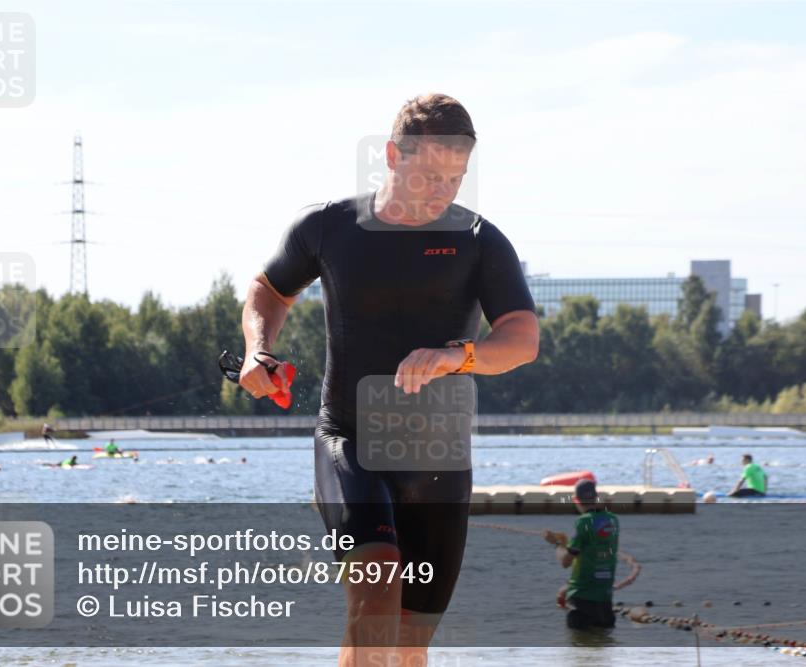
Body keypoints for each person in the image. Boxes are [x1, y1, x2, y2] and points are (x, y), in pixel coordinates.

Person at [238, 93, 539, 666]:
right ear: (392, 157)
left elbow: (521, 340)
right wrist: (259, 350)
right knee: (376, 595)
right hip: (350, 442)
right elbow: (268, 291)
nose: (443, 190)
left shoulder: (480, 241)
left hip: (439, 461)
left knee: (408, 645)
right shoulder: (327, 228)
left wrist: (459, 357)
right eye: (429, 173)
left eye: (456, 178)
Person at [545, 479, 620, 631]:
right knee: (603, 648)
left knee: (579, 650)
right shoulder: (613, 520)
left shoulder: (583, 522)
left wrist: (556, 544)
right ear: (596, 497)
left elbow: (565, 562)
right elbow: (592, 555)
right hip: (605, 602)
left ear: (576, 500)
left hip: (582, 603)